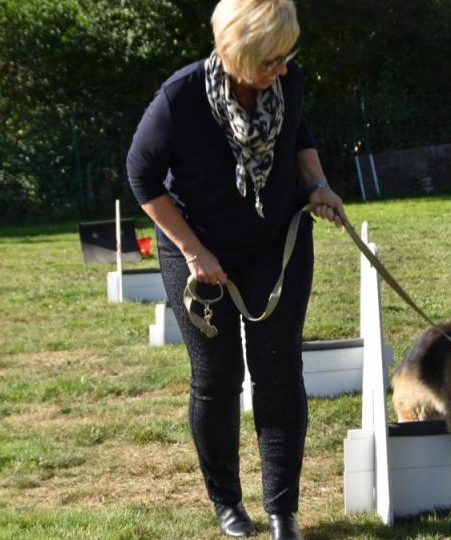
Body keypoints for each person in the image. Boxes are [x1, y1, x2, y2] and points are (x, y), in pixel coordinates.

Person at [126, 1, 345, 538]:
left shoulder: (284, 84)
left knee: (278, 371)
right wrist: (196, 252)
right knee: (217, 378)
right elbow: (142, 176)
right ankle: (227, 502)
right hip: (197, 251)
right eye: (271, 59)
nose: (284, 69)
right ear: (238, 53)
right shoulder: (180, 98)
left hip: (277, 242)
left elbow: (300, 134)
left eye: (286, 56)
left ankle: (282, 512)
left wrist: (317, 186)